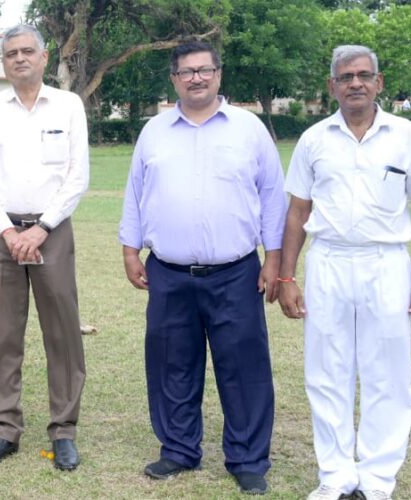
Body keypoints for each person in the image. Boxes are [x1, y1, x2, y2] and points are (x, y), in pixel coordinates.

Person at [278, 45, 411, 500]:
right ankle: (334, 477)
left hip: (386, 262)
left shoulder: (406, 135)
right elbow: (296, 212)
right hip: (328, 261)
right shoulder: (314, 139)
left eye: (363, 75)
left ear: (380, 82)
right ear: (331, 85)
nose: (355, 83)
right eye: (346, 76)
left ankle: (376, 480)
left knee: (386, 373)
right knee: (325, 371)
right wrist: (287, 277)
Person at [118, 40, 286, 495]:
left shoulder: (248, 130)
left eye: (204, 70)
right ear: (174, 79)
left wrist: (275, 259)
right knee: (172, 363)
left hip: (237, 272)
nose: (196, 77)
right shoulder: (154, 131)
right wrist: (131, 250)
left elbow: (273, 197)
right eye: (186, 71)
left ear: (218, 74)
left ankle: (248, 458)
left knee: (244, 366)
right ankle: (178, 449)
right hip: (169, 272)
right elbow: (136, 194)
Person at [0, 24, 89, 472]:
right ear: (3, 63)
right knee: (3, 333)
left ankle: (64, 430)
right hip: (0, 234)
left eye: (27, 51)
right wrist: (6, 231)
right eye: (11, 53)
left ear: (44, 56)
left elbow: (77, 176)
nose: (19, 58)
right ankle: (5, 428)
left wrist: (40, 229)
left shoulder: (68, 105)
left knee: (62, 331)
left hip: (51, 232)